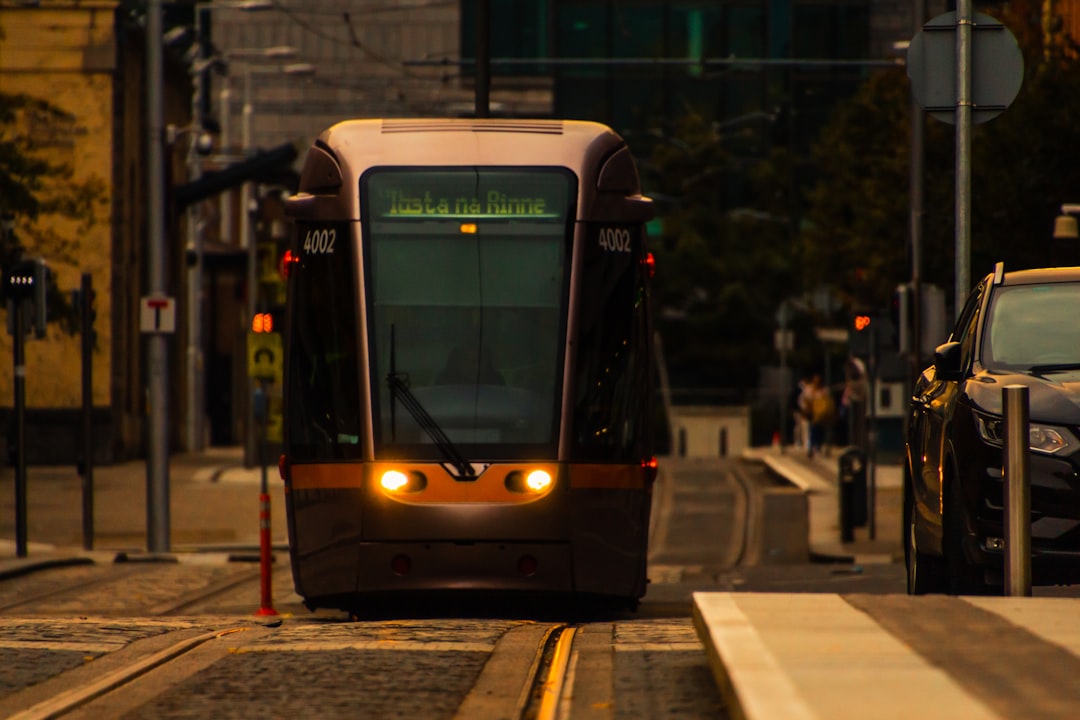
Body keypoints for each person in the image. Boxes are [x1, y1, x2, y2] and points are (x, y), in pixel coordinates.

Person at [806, 374, 835, 458]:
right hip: (813, 413)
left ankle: (818, 447)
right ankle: (811, 447)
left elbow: (828, 400)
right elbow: (806, 399)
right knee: (813, 430)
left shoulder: (824, 390)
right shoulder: (810, 389)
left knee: (820, 431)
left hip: (822, 414)